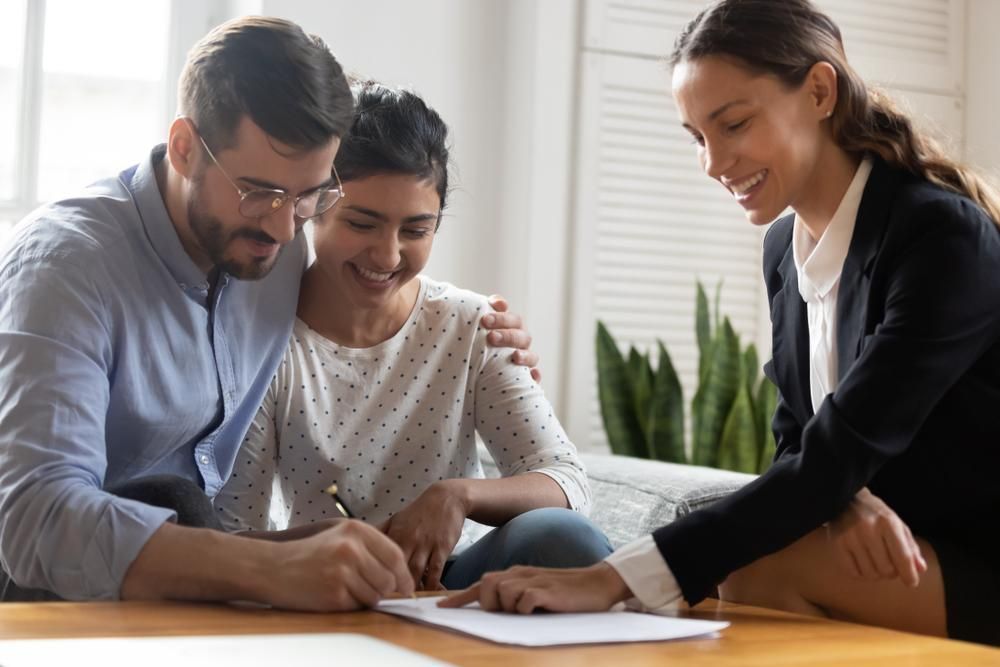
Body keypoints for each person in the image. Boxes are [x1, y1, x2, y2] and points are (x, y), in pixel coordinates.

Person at [443, 0, 1000, 646]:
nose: (712, 162)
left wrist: (609, 578)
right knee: (736, 561)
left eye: (732, 124)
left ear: (820, 91)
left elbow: (844, 442)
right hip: (901, 551)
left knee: (749, 566)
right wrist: (841, 500)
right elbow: (799, 439)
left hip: (978, 556)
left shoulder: (940, 236)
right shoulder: (786, 248)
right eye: (698, 137)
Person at [0, 16, 535, 610]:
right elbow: (33, 520)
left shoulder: (269, 247)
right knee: (172, 498)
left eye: (309, 196)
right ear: (183, 148)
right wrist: (263, 565)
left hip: (185, 576)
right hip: (39, 591)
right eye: (260, 191)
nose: (285, 228)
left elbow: (377, 293)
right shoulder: (67, 265)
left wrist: (483, 325)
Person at [214, 82, 612, 591]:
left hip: (447, 588)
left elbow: (565, 480)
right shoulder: (264, 342)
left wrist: (457, 496)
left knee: (561, 536)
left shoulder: (472, 326)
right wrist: (343, 546)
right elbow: (233, 534)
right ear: (313, 206)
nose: (387, 256)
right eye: (362, 223)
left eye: (415, 230)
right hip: (319, 584)